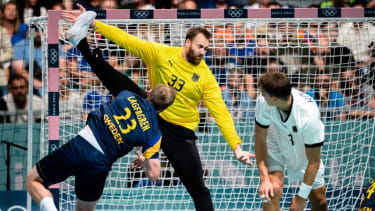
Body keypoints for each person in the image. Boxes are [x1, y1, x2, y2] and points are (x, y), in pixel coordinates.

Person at [62, 9, 255, 211]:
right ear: (187, 42)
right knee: (114, 78)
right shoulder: (162, 54)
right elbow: (129, 41)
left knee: (199, 189)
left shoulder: (206, 77)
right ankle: (81, 41)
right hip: (151, 110)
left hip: (179, 131)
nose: (202, 52)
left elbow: (221, 113)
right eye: (199, 47)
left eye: (205, 49)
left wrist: (236, 147)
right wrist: (95, 25)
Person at [25, 44, 177, 210]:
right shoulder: (155, 133)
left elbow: (110, 78)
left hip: (81, 145)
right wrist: (144, 161)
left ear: (149, 92)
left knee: (33, 180)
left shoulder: (127, 93)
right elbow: (154, 175)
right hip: (100, 164)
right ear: (163, 109)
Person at [254, 72, 328, 211]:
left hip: (301, 144)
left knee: (318, 198)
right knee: (272, 191)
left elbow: (314, 162)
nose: (261, 95)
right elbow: (260, 139)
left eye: (263, 93)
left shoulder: (309, 116)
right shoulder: (263, 101)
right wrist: (265, 179)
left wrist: (301, 197)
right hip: (274, 137)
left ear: (275, 99)